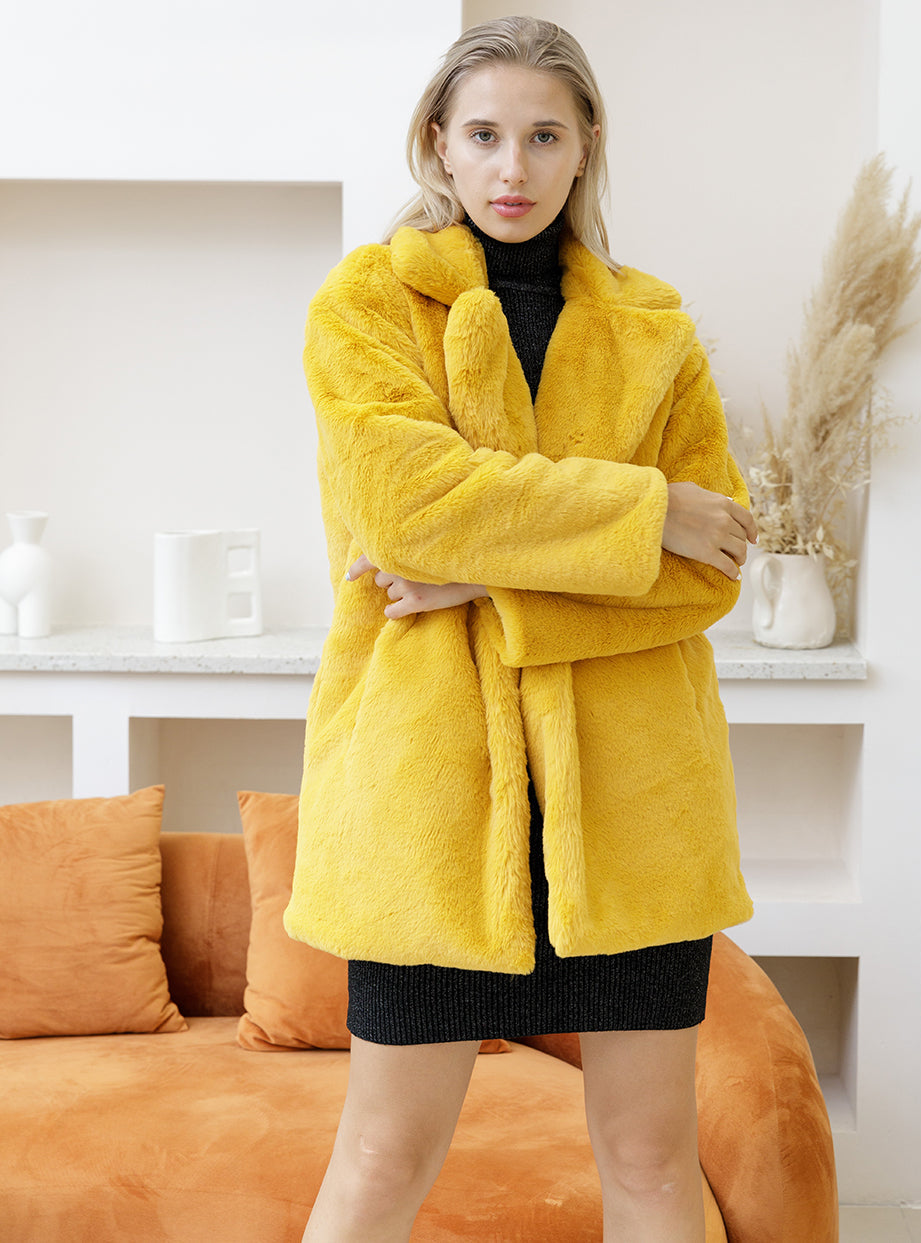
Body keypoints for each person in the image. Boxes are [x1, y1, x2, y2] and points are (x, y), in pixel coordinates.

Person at [284, 16, 757, 1242]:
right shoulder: (366, 304)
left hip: (634, 806)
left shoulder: (654, 326)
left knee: (653, 1161)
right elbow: (406, 506)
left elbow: (711, 571)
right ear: (436, 144)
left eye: (544, 135)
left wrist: (492, 585)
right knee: (385, 1156)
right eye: (484, 133)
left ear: (586, 146)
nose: (513, 166)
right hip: (430, 802)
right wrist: (645, 512)